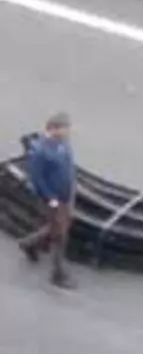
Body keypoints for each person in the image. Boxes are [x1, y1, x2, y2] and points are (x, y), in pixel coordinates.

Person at [19, 112, 77, 290]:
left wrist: (72, 188)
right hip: (53, 199)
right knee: (60, 235)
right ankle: (57, 275)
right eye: (64, 128)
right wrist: (51, 198)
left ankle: (28, 244)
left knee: (57, 228)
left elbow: (69, 166)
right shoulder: (40, 151)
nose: (68, 132)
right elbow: (37, 179)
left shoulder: (63, 145)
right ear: (53, 129)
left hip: (66, 195)